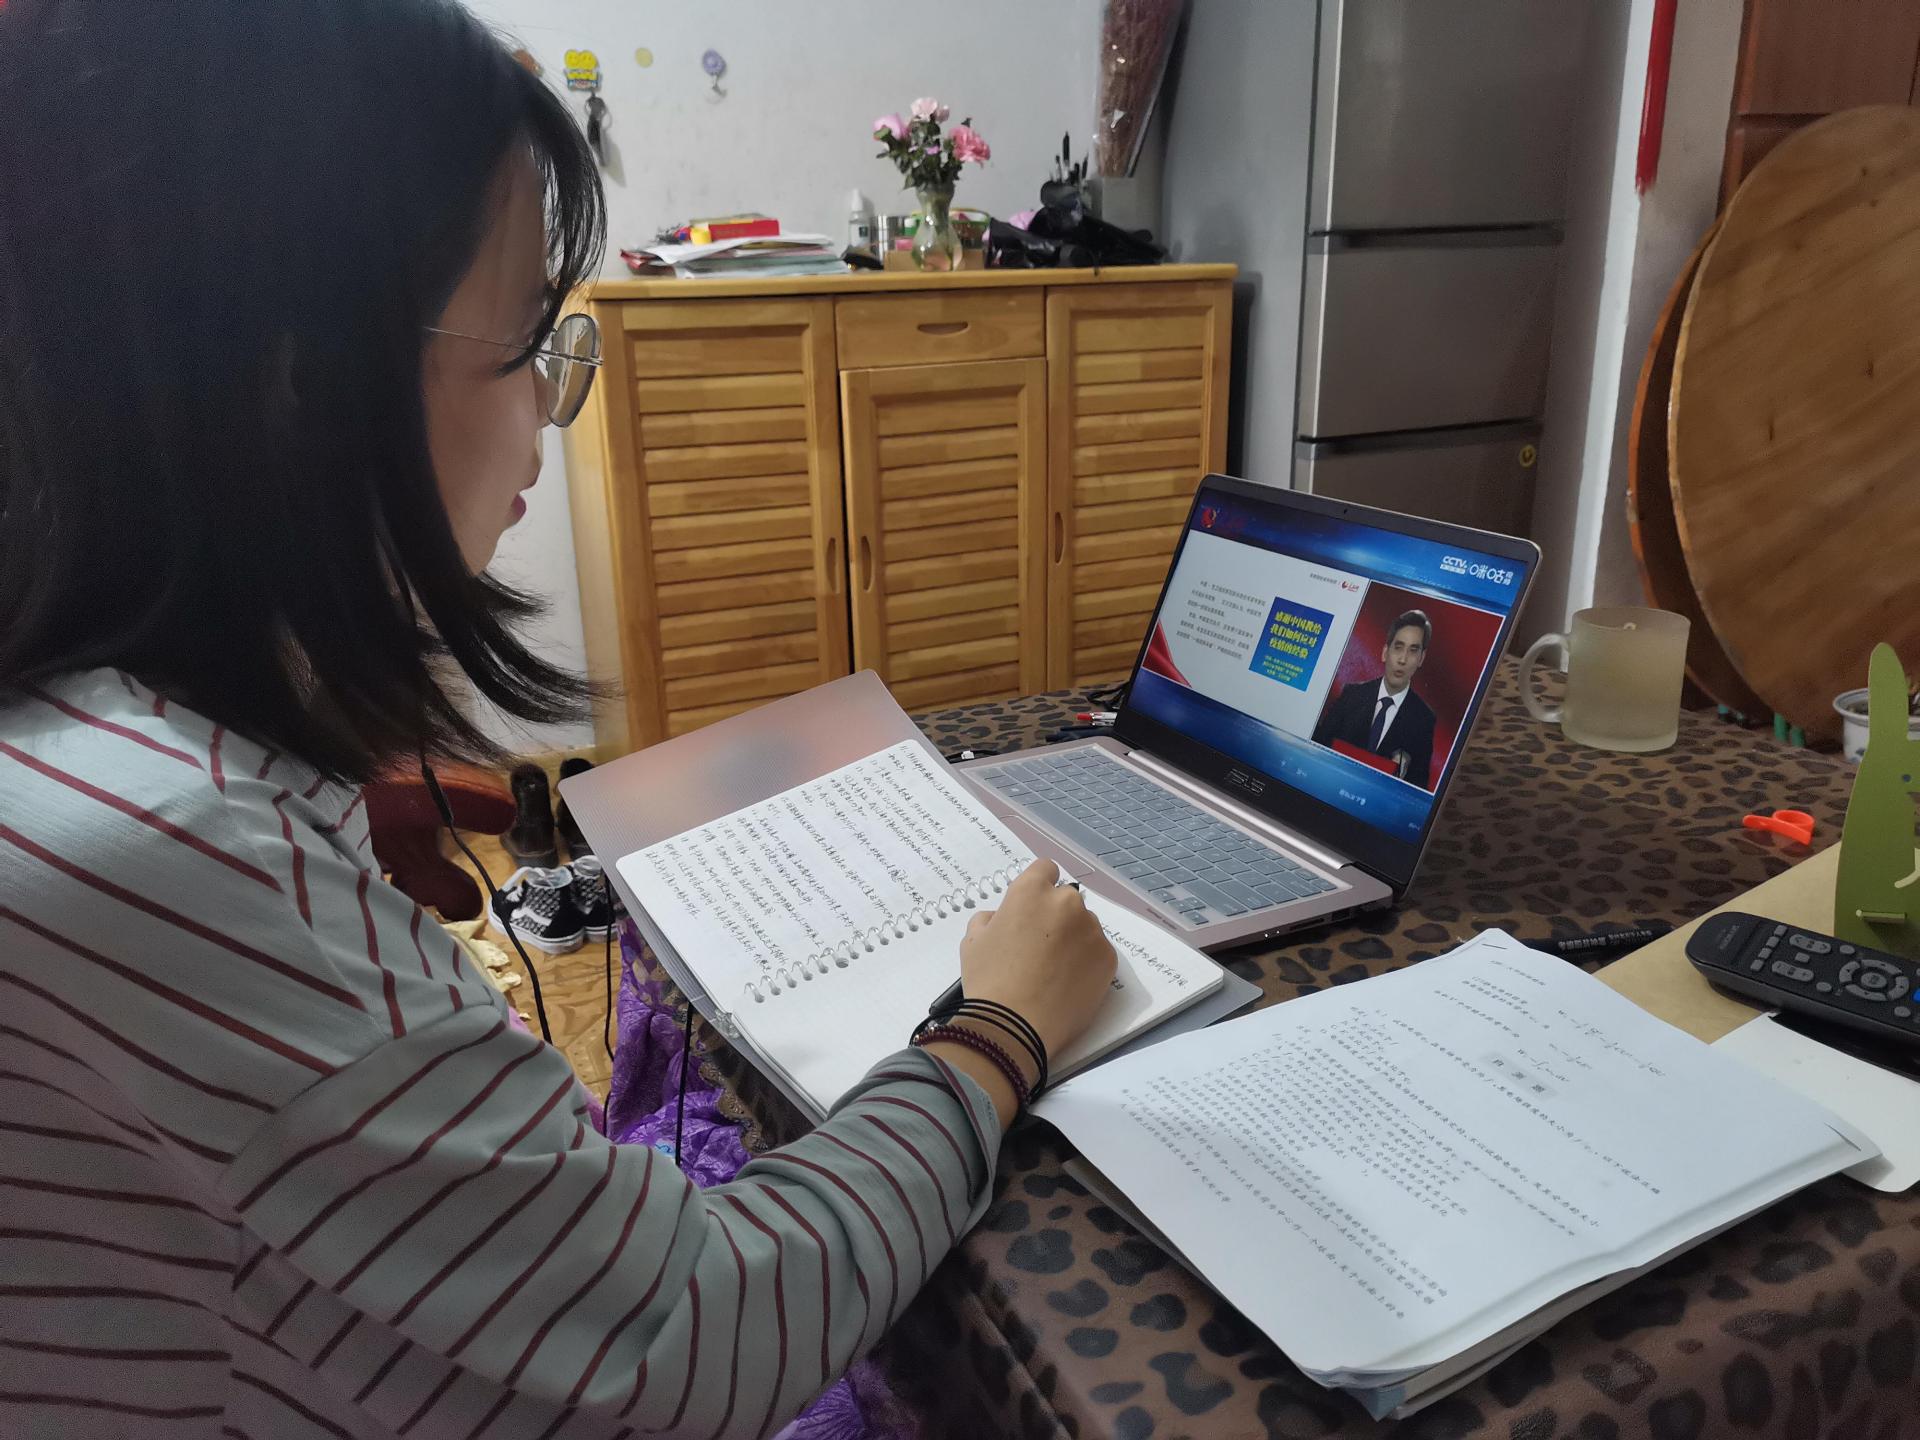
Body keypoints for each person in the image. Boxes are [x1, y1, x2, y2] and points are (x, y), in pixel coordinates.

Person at [0, 3, 1118, 1437]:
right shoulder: (176, 859)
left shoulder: (90, 749)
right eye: (528, 336)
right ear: (300, 374)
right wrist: (997, 1033)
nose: (548, 401)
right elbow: (694, 1332)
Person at [1311, 610, 1439, 788]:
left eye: (1413, 651)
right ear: (1385, 652)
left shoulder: (1424, 719)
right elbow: (1316, 747)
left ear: (1421, 659)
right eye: (1398, 647)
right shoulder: (1351, 695)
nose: (1402, 659)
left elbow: (1417, 786)